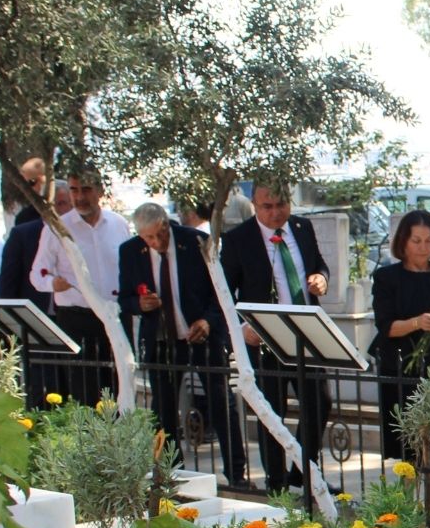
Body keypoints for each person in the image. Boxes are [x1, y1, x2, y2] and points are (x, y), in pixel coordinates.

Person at [119, 202, 245, 487]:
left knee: (221, 404)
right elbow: (124, 298)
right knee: (162, 410)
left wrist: (208, 321)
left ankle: (236, 475)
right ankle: (171, 475)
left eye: (159, 235)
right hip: (161, 341)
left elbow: (221, 291)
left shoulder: (196, 241)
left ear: (167, 225)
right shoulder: (129, 252)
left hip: (201, 337)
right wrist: (139, 304)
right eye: (148, 238)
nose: (155, 242)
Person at [221, 184, 332, 495]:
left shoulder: (302, 227)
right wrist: (242, 328)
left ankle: (305, 471)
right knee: (272, 410)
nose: (274, 212)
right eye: (266, 206)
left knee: (319, 404)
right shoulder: (237, 239)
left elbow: (319, 264)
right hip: (265, 337)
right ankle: (277, 483)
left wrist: (321, 277)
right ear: (255, 204)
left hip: (306, 331)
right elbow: (225, 292)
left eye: (280, 204)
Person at [370, 210, 430, 469]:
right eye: (416, 240)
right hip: (401, 365)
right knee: (409, 446)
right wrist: (417, 323)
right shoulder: (386, 277)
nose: (423, 248)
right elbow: (385, 326)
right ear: (403, 241)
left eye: (429, 241)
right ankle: (426, 500)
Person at [30, 171, 131, 403]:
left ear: (100, 191)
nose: (79, 197)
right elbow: (37, 274)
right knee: (84, 389)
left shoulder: (118, 224)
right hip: (76, 319)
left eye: (85, 189)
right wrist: (52, 283)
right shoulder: (56, 228)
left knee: (120, 385)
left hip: (115, 316)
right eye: (74, 190)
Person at [0, 180, 72, 311]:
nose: (55, 209)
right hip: (36, 314)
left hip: (71, 313)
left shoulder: (79, 234)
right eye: (50, 204)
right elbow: (8, 283)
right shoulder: (21, 235)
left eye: (61, 203)